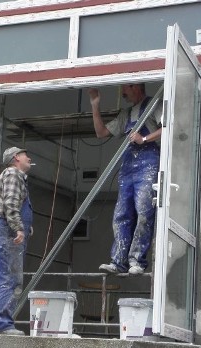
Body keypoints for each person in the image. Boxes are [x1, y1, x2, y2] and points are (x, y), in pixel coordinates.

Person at [89, 83, 162, 275]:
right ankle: (119, 261)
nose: (123, 93)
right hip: (128, 168)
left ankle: (137, 260)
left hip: (148, 165)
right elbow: (101, 133)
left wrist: (144, 139)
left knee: (144, 212)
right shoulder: (126, 114)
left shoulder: (155, 105)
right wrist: (94, 104)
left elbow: (169, 127)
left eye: (126, 89)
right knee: (121, 214)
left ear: (136, 87)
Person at [0, 146, 33, 335]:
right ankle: (3, 325)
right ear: (16, 158)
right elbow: (11, 204)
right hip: (8, 231)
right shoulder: (14, 174)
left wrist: (26, 225)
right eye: (25, 155)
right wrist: (18, 228)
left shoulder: (8, 175)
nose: (28, 158)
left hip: (4, 229)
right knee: (8, 278)